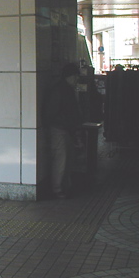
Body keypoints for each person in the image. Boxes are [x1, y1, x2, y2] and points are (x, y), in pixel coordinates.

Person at [43, 63, 82, 199]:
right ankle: (58, 188)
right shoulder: (61, 90)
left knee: (65, 159)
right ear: (70, 76)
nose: (77, 79)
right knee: (61, 159)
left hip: (64, 128)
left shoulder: (64, 89)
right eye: (76, 76)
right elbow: (51, 112)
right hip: (59, 129)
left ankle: (64, 186)